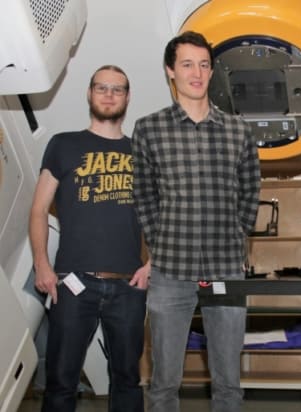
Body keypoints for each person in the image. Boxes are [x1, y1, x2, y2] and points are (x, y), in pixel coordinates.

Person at [131, 31, 261, 412]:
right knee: (163, 383)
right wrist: (162, 243)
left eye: (204, 64)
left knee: (228, 383)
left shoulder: (238, 130)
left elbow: (250, 190)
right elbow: (144, 196)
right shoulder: (149, 129)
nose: (197, 72)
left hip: (226, 269)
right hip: (171, 270)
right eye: (187, 64)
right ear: (171, 71)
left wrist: (237, 237)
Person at [29, 65, 149, 412]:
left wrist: (153, 264)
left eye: (118, 89)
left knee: (127, 380)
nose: (109, 94)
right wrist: (42, 265)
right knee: (60, 381)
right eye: (102, 88)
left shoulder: (142, 152)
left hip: (128, 286)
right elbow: (38, 211)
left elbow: (163, 214)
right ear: (89, 93)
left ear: (127, 97)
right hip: (71, 284)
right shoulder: (63, 145)